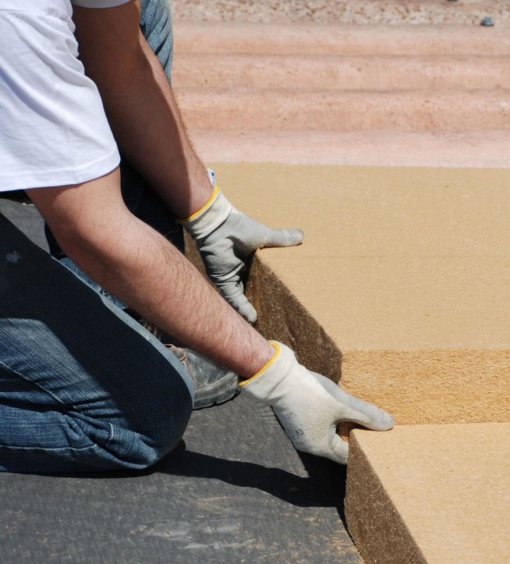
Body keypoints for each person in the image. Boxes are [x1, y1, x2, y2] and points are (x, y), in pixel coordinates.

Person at [0, 0, 394, 473]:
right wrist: (276, 375)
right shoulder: (17, 23)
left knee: (136, 16)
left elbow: (118, 55)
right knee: (140, 417)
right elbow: (93, 228)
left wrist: (208, 213)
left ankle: (112, 319)